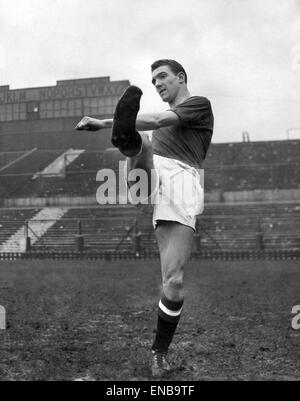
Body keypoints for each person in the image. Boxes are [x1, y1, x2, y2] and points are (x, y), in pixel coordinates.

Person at [76, 59, 214, 378]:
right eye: (153, 80)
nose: (157, 83)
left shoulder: (198, 105)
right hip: (150, 174)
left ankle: (159, 353)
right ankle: (128, 142)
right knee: (145, 147)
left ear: (181, 77)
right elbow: (148, 121)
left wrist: (102, 123)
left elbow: (157, 118)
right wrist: (109, 124)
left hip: (182, 183)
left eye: (162, 77)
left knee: (174, 283)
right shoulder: (158, 123)